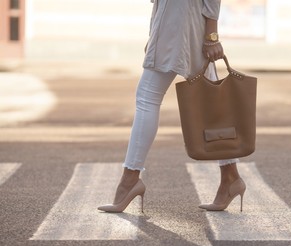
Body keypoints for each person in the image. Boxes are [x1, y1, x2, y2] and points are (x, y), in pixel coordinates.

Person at [98, 0, 246, 213]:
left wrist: (212, 36)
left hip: (182, 19)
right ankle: (231, 178)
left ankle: (129, 181)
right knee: (210, 101)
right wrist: (154, 30)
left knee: (148, 97)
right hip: (175, 18)